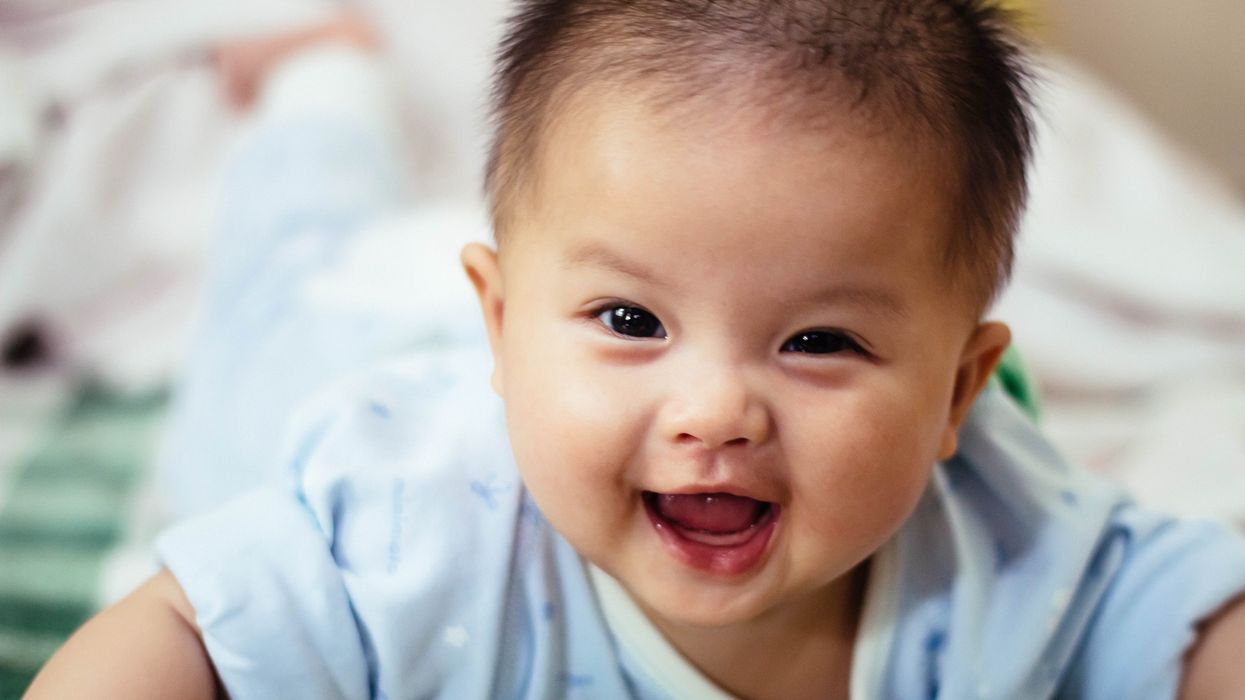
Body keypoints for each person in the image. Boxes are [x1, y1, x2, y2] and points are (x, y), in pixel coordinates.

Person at [27, 1, 1245, 698]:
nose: (715, 409)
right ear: (498, 326)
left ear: (958, 394)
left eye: (818, 340)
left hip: (529, 329)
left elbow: (1189, 615)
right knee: (289, 247)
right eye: (636, 322)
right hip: (333, 343)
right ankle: (323, 76)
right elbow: (183, 633)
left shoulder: (1005, 540)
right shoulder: (401, 523)